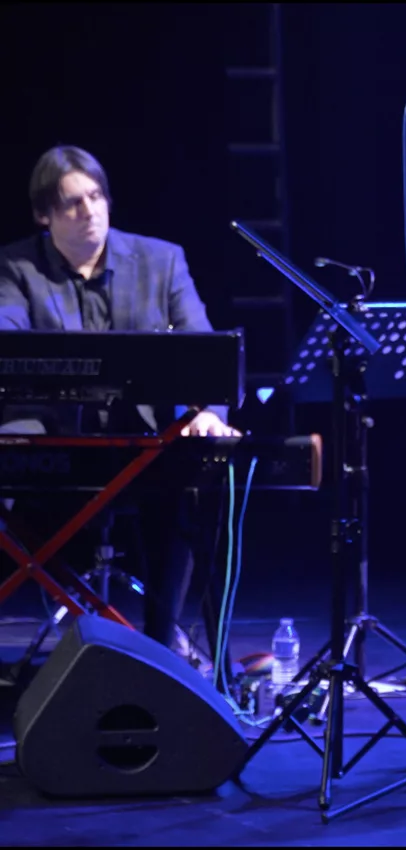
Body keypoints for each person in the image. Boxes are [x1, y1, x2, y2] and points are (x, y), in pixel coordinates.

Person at [0, 145, 237, 674]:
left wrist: (206, 411)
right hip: (55, 444)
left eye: (96, 196)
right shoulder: (15, 268)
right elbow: (9, 350)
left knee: (192, 481)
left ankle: (162, 648)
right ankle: (78, 626)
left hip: (144, 443)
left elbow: (202, 351)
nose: (90, 211)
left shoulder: (161, 260)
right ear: (44, 215)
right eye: (72, 203)